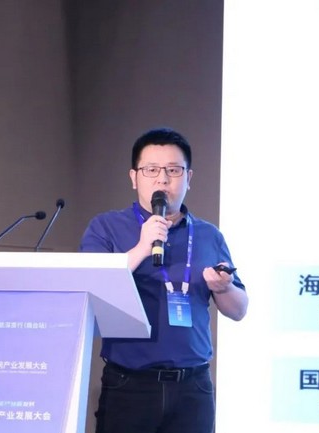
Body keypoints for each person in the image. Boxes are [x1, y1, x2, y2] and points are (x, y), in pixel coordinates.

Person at [80, 127, 248, 433]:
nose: (162, 179)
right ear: (134, 177)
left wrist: (224, 288)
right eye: (151, 170)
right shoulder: (106, 227)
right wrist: (141, 248)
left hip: (193, 387)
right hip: (129, 385)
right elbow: (89, 290)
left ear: (188, 178)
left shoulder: (209, 235)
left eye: (173, 170)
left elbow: (239, 310)